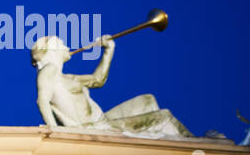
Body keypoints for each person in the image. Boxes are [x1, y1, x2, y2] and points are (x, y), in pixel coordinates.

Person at [32, 34, 192, 138]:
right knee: (164, 117)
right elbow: (42, 101)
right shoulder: (49, 70)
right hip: (95, 128)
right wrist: (55, 131)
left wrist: (109, 50)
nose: (67, 47)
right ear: (52, 49)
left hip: (103, 122)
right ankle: (200, 145)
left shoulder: (67, 77)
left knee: (148, 100)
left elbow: (97, 80)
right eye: (61, 44)